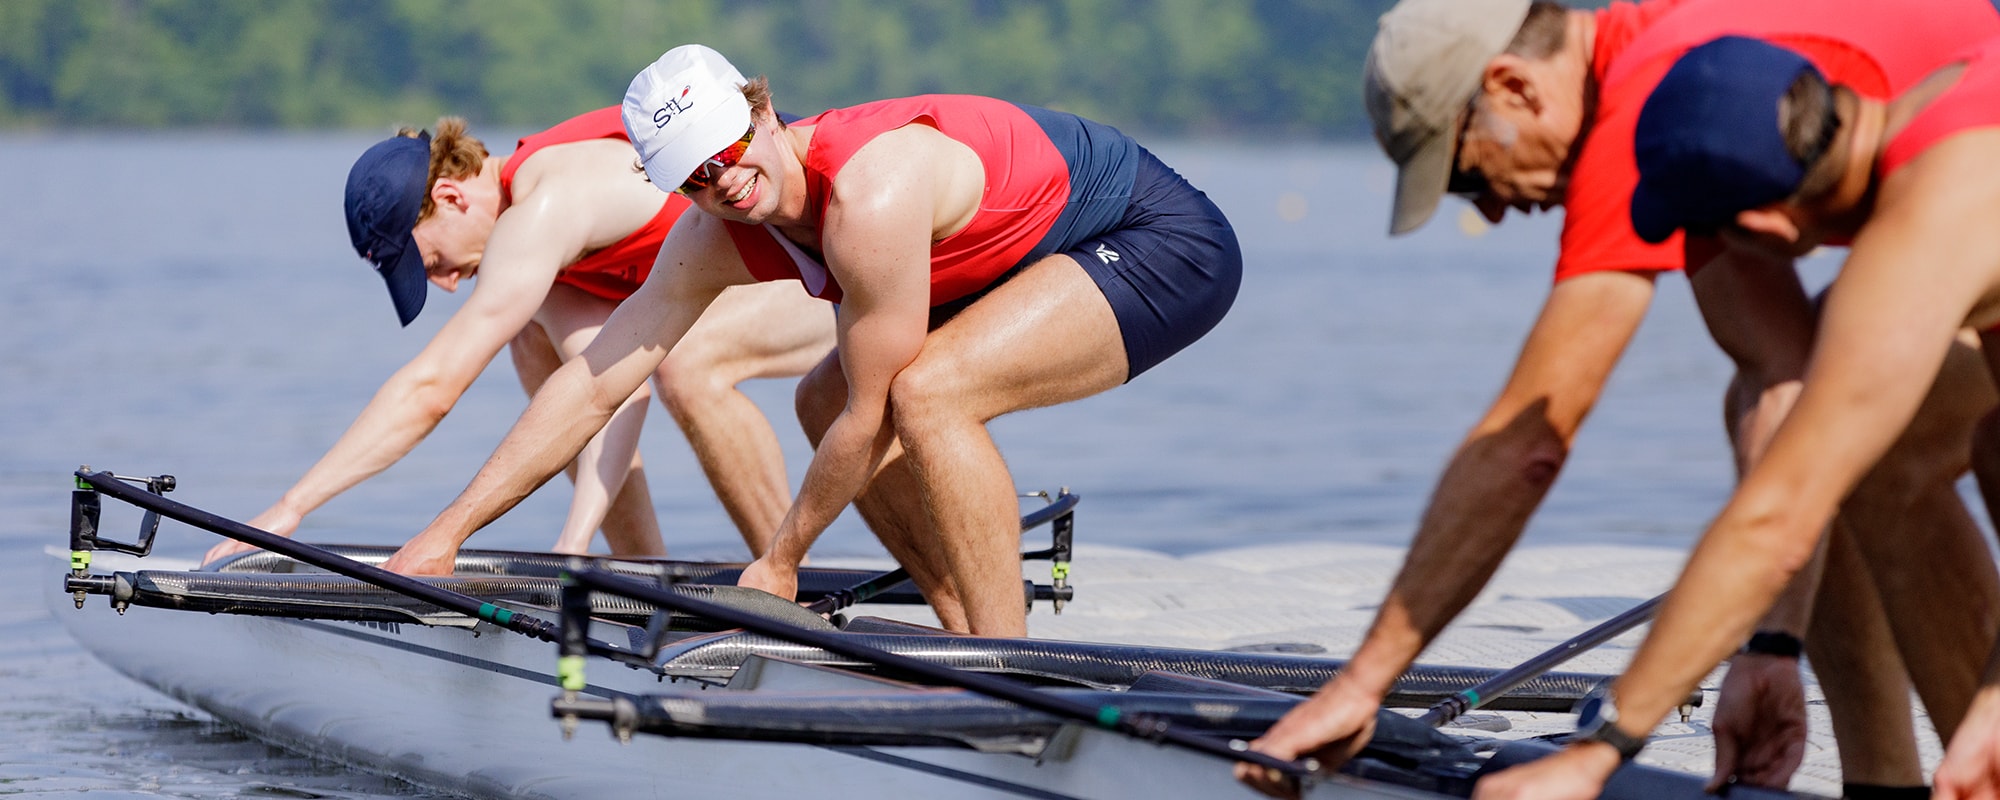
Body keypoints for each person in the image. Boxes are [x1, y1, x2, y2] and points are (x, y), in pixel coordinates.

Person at [1241, 0, 2000, 797]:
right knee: (1896, 438)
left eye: (1464, 175)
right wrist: (1771, 646)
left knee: (1866, 449)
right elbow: (1783, 384)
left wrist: (1588, 747)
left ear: (1512, 87)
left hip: (1938, 209)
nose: (1495, 212)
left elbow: (1528, 442)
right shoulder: (1711, 110)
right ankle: (1889, 782)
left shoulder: (1653, 102)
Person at [374, 44, 1241, 637]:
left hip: (1157, 235)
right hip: (1029, 251)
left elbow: (876, 416)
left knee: (924, 393)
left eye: (730, 147)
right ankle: (966, 635)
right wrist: (446, 532)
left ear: (763, 108)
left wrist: (780, 561)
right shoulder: (711, 231)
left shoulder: (870, 193)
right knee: (820, 396)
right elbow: (596, 381)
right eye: (695, 177)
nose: (726, 182)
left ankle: (1011, 667)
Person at [1478, 34, 2000, 800]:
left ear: (1765, 230)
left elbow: (1774, 517)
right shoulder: (1958, 93)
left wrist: (1601, 750)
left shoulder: (1925, 224)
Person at [206, 106, 834, 565]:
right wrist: (575, 540)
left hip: (825, 254)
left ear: (449, 197)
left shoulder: (544, 207)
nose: (447, 285)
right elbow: (607, 390)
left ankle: (785, 589)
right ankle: (643, 580)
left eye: (430, 263)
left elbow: (433, 387)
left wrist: (292, 507)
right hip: (757, 279)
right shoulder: (549, 265)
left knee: (689, 364)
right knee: (534, 342)